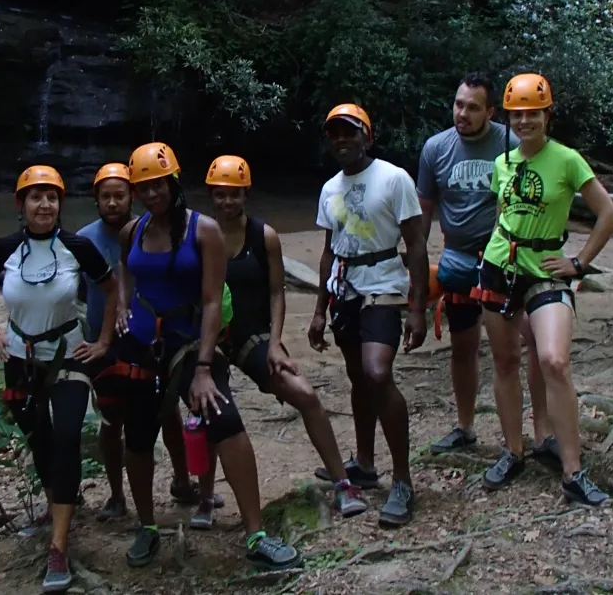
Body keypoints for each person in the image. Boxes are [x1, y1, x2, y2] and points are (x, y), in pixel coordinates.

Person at [113, 142, 301, 571]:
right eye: (143, 187)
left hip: (191, 344)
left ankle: (255, 533)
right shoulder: (133, 231)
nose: (152, 193)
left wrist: (202, 368)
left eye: (158, 184)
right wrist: (123, 305)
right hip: (142, 346)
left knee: (226, 422)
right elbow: (124, 269)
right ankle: (147, 527)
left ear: (173, 182)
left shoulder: (204, 231)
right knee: (138, 437)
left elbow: (213, 300)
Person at [189, 155, 368, 530]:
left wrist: (274, 342)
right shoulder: (199, 234)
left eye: (233, 194)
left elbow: (276, 292)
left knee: (305, 394)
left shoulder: (263, 236)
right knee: (208, 408)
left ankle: (343, 483)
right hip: (210, 340)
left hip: (251, 335)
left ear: (246, 194)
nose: (226, 202)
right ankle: (205, 497)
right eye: (219, 195)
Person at [0, 165, 120, 593]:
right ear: (21, 204)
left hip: (68, 355)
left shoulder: (78, 247)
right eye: (36, 197)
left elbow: (111, 288)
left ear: (60, 204)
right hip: (20, 358)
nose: (45, 204)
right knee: (38, 437)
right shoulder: (4, 249)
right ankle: (58, 503)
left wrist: (104, 341)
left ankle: (58, 545)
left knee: (68, 434)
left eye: (52, 197)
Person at [475, 73, 613, 505]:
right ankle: (514, 450)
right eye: (518, 115)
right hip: (499, 268)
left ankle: (573, 472)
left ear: (547, 115)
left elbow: (608, 214)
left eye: (533, 113)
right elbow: (504, 215)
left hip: (546, 273)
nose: (525, 122)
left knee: (553, 360)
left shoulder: (567, 160)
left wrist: (578, 262)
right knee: (504, 363)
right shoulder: (503, 163)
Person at [308, 104, 428, 528]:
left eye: (349, 133)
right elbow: (329, 249)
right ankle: (364, 462)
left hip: (384, 286)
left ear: (367, 137)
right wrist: (319, 309)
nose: (342, 141)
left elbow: (415, 245)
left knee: (378, 374)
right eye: (334, 134)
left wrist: (417, 308)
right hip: (344, 289)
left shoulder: (394, 178)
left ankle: (402, 479)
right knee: (358, 376)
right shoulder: (329, 189)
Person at [76, 162, 212, 521]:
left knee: (167, 412)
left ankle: (182, 482)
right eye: (105, 196)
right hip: (101, 342)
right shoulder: (85, 238)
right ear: (95, 199)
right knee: (112, 420)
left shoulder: (144, 231)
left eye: (119, 195)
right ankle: (117, 496)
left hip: (148, 341)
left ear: (130, 196)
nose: (113, 203)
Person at [419, 73, 530, 457]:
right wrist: (419, 271)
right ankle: (465, 427)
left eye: (473, 107)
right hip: (460, 262)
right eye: (458, 104)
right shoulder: (436, 148)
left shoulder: (509, 143)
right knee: (463, 347)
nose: (462, 113)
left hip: (504, 262)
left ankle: (523, 435)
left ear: (490, 111)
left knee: (516, 349)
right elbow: (424, 212)